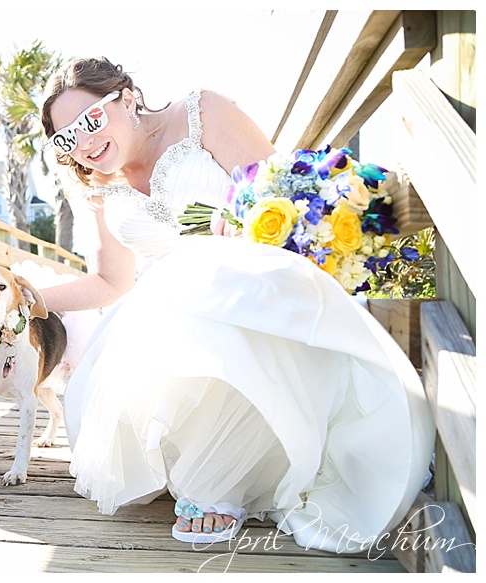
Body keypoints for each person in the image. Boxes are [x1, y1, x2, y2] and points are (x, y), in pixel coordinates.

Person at [38, 56, 435, 551]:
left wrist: (245, 218)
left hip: (257, 284)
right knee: (161, 303)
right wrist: (22, 294)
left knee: (209, 281)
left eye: (90, 120)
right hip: (173, 308)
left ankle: (216, 481)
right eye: (65, 138)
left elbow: (278, 188)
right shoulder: (97, 188)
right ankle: (210, 459)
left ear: (126, 98)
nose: (83, 141)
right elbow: (109, 281)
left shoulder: (201, 112)